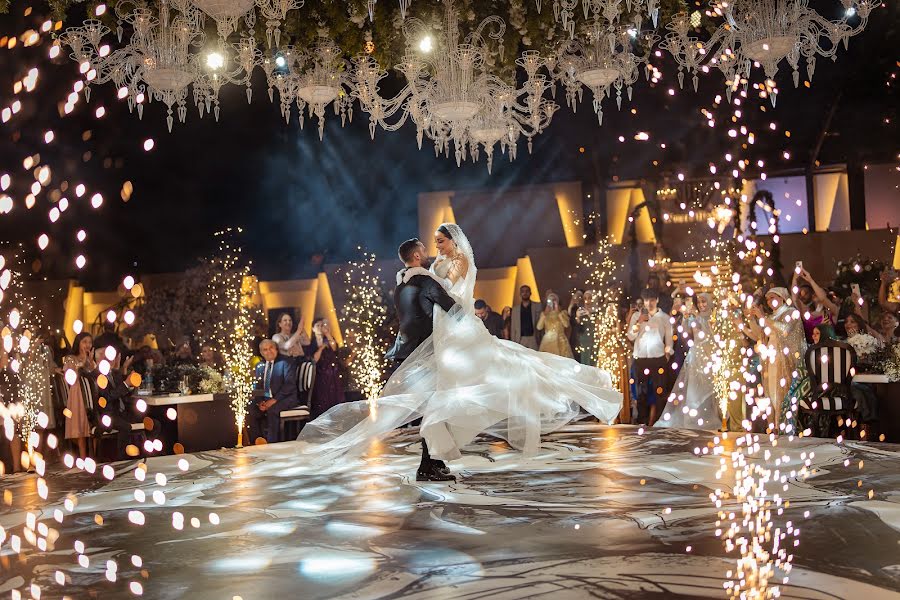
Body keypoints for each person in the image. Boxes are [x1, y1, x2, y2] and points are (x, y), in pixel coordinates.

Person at [297, 223, 622, 478]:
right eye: (429, 245)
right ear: (416, 255)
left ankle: (432, 462)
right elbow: (450, 306)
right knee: (426, 406)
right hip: (433, 350)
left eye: (439, 242)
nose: (433, 248)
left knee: (430, 406)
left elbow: (435, 304)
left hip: (425, 349)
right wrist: (472, 325)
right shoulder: (425, 279)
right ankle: (427, 461)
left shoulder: (404, 282)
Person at [742, 287, 809, 434]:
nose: (770, 301)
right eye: (768, 299)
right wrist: (751, 318)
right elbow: (760, 335)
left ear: (782, 298)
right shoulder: (771, 317)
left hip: (785, 359)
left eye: (773, 297)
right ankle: (774, 425)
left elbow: (784, 330)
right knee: (771, 390)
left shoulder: (791, 313)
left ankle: (784, 424)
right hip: (771, 358)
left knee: (782, 390)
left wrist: (762, 318)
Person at [657, 293, 718, 429]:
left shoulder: (715, 318)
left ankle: (712, 417)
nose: (702, 305)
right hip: (696, 356)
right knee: (694, 389)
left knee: (711, 389)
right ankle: (693, 418)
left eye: (704, 302)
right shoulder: (694, 318)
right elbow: (685, 335)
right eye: (700, 302)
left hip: (711, 355)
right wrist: (685, 319)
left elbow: (713, 336)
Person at [626, 289, 673, 426]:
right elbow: (630, 336)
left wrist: (668, 353)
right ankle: (642, 421)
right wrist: (639, 323)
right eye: (646, 300)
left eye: (652, 300)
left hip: (657, 358)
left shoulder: (664, 317)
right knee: (641, 392)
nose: (649, 303)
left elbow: (669, 338)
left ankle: (658, 421)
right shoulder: (636, 316)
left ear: (657, 300)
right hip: (641, 358)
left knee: (659, 391)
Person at [248, 339, 299, 444]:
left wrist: (274, 400)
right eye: (265, 350)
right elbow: (258, 387)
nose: (269, 351)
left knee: (272, 410)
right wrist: (259, 402)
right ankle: (258, 442)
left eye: (271, 348)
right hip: (267, 399)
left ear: (276, 349)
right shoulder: (260, 366)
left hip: (286, 398)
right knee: (250, 410)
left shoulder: (286, 362)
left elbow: (289, 385)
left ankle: (271, 444)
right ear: (261, 353)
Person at [307, 318, 345, 419]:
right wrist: (321, 348)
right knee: (321, 399)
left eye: (322, 325)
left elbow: (335, 348)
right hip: (319, 374)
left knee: (334, 397)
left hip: (332, 372)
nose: (320, 328)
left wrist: (328, 333)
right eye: (318, 326)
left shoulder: (327, 338)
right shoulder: (311, 343)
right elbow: (314, 359)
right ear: (313, 328)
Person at [791, 268, 838, 343]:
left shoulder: (832, 311)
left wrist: (810, 280)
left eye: (819, 290)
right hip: (813, 350)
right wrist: (795, 277)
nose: (816, 293)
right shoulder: (807, 314)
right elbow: (795, 299)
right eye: (814, 292)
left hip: (829, 348)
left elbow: (822, 298)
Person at [537, 292, 573, 358]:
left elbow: (566, 325)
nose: (552, 302)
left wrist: (558, 312)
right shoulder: (544, 314)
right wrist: (545, 314)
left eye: (554, 300)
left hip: (561, 341)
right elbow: (539, 327)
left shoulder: (563, 313)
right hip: (547, 341)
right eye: (550, 300)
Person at [510, 285, 543, 350]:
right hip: (520, 339)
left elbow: (541, 323)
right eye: (523, 291)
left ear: (530, 293)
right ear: (520, 294)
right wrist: (513, 342)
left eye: (527, 291)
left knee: (534, 358)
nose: (525, 293)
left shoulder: (538, 306)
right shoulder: (515, 309)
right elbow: (513, 327)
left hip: (534, 338)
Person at [572, 290, 597, 365]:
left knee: (594, 361)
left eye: (589, 298)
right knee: (585, 361)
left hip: (594, 340)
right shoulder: (580, 311)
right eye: (585, 298)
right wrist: (577, 318)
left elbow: (597, 325)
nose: (587, 300)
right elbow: (578, 328)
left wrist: (589, 314)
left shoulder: (596, 311)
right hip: (584, 340)